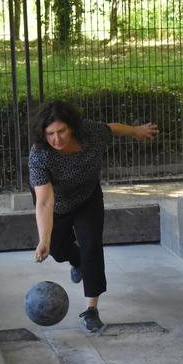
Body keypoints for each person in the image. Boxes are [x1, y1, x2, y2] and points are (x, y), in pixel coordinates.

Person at [29, 101, 158, 332]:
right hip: (56, 204)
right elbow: (45, 200)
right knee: (58, 251)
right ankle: (75, 260)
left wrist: (136, 131)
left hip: (88, 197)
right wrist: (44, 240)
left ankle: (91, 310)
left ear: (72, 128)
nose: (56, 139)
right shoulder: (39, 155)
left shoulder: (90, 133)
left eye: (62, 131)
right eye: (50, 133)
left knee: (92, 249)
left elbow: (112, 128)